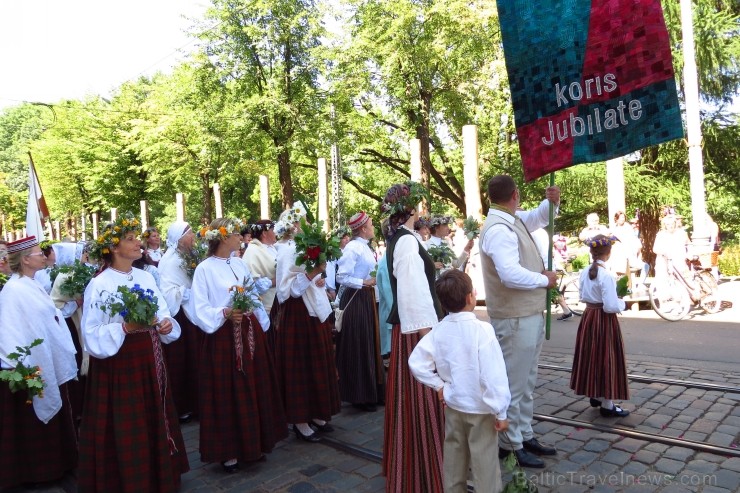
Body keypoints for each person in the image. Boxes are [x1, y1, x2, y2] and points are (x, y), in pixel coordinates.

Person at [79, 214, 189, 492]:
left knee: (155, 412)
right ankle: (130, 478)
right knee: (129, 421)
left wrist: (166, 324)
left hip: (151, 357)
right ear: (113, 248)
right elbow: (91, 333)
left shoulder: (144, 276)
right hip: (121, 362)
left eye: (137, 237)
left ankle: (160, 473)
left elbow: (162, 310)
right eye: (130, 239)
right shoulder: (100, 284)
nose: (138, 242)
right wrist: (125, 327)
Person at [191, 218, 287, 472]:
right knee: (228, 391)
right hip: (223, 337)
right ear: (223, 237)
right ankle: (229, 451)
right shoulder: (205, 269)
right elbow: (199, 307)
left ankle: (254, 444)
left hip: (248, 332)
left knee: (252, 387)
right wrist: (225, 312)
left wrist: (260, 321)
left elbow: (251, 295)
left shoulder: (240, 262)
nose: (240, 237)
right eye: (235, 233)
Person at [479, 174, 559, 469]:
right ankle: (510, 444)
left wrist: (552, 202)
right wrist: (544, 280)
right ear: (515, 195)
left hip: (524, 314)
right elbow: (509, 274)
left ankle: (523, 434)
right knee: (513, 384)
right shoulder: (499, 228)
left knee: (526, 381)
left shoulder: (510, 219)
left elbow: (538, 217)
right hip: (514, 318)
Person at [409, 270, 511, 493]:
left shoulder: (438, 330)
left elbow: (416, 362)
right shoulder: (483, 330)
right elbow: (493, 375)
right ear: (470, 297)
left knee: (454, 463)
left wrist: (439, 385)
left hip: (454, 406)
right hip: (481, 410)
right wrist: (501, 412)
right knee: (485, 467)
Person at [381, 181, 445, 492]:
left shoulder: (401, 238)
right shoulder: (405, 241)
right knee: (419, 399)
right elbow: (412, 293)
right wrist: (427, 340)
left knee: (411, 401)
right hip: (415, 332)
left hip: (409, 329)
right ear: (411, 207)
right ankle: (419, 472)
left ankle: (411, 467)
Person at [0, 236, 78, 489]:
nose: (43, 255)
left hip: (46, 359)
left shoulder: (31, 284)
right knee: (34, 421)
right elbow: (10, 331)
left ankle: (61, 464)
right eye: (37, 253)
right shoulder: (13, 290)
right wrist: (25, 366)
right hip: (32, 366)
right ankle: (41, 472)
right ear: (25, 259)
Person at [273, 208, 341, 443]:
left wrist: (317, 278)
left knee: (318, 362)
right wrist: (312, 274)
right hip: (298, 314)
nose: (306, 225)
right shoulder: (286, 251)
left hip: (313, 311)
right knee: (301, 365)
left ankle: (317, 412)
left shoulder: (302, 247)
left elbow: (309, 280)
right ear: (293, 226)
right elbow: (287, 290)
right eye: (302, 222)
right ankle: (300, 420)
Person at [570, 235, 630, 417]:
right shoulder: (606, 275)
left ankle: (595, 393)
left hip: (589, 317)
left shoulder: (584, 272)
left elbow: (582, 296)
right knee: (607, 358)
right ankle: (607, 404)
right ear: (608, 253)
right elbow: (611, 306)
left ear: (591, 252)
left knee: (592, 356)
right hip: (604, 320)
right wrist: (623, 304)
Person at [335, 211, 383, 412]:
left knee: (369, 344)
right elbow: (341, 276)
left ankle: (371, 391)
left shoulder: (364, 247)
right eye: (371, 225)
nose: (373, 228)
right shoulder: (353, 248)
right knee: (360, 345)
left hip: (366, 298)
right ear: (363, 229)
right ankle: (360, 395)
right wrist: (363, 282)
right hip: (357, 300)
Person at [158, 221, 202, 423]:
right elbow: (167, 291)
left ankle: (196, 402)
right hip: (180, 316)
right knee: (182, 362)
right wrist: (186, 292)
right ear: (179, 239)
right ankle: (183, 405)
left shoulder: (188, 256)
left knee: (196, 359)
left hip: (193, 311)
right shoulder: (170, 261)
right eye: (189, 234)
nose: (193, 237)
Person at [531, 227, 575, 321]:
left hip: (543, 265)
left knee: (553, 291)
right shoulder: (541, 232)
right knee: (553, 290)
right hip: (547, 264)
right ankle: (566, 311)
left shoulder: (534, 232)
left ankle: (567, 311)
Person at [243, 219, 279, 313]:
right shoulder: (253, 251)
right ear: (264, 233)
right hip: (266, 307)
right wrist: (274, 281)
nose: (276, 232)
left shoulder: (272, 248)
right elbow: (252, 285)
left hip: (278, 303)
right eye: (273, 230)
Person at [652, 214, 690, 288]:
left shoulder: (681, 233)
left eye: (672, 223)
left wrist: (689, 254)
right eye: (668, 224)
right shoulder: (661, 235)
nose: (670, 226)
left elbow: (688, 244)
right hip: (664, 261)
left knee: (683, 281)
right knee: (664, 281)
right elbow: (655, 249)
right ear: (665, 225)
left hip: (679, 261)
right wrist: (663, 252)